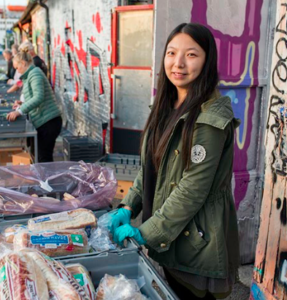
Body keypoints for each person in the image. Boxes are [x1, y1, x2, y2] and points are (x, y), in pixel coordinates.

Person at [108, 23, 240, 299]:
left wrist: (148, 232)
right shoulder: (166, 107)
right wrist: (127, 206)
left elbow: (193, 189)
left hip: (197, 245)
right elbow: (150, 169)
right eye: (171, 53)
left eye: (191, 55)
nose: (178, 63)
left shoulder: (210, 119)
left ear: (207, 61)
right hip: (171, 237)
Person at [6, 48, 62, 163]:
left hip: (48, 122)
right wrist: (23, 103)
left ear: (23, 63)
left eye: (17, 68)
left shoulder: (35, 73)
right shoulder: (31, 74)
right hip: (45, 121)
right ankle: (45, 180)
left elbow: (38, 97)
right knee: (41, 157)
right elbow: (35, 97)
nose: (17, 71)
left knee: (44, 158)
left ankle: (47, 181)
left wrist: (19, 111)